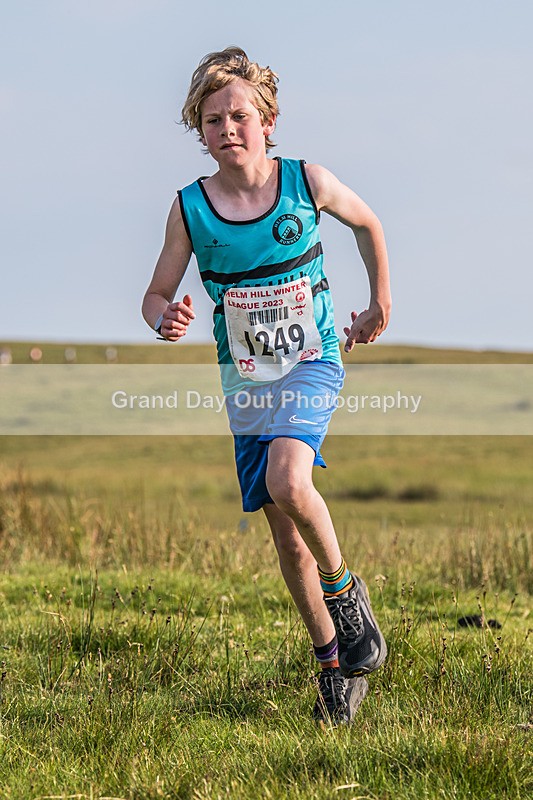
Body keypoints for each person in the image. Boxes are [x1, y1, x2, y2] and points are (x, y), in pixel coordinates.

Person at [142, 47, 391, 725]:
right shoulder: (191, 209)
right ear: (199, 130)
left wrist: (379, 303)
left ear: (267, 118)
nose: (228, 128)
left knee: (289, 480)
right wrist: (165, 316)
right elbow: (156, 292)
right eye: (213, 118)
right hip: (246, 381)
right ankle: (334, 666)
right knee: (285, 537)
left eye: (240, 115)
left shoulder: (304, 181)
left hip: (312, 360)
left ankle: (348, 601)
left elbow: (368, 224)